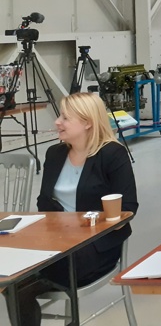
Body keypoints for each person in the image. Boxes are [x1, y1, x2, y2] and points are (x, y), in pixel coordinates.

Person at [4, 92, 138, 326]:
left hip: (96, 246)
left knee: (21, 276)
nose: (57, 122)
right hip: (56, 242)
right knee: (14, 282)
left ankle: (31, 277)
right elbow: (44, 203)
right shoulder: (54, 154)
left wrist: (80, 225)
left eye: (65, 118)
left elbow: (128, 208)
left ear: (87, 122)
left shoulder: (112, 154)